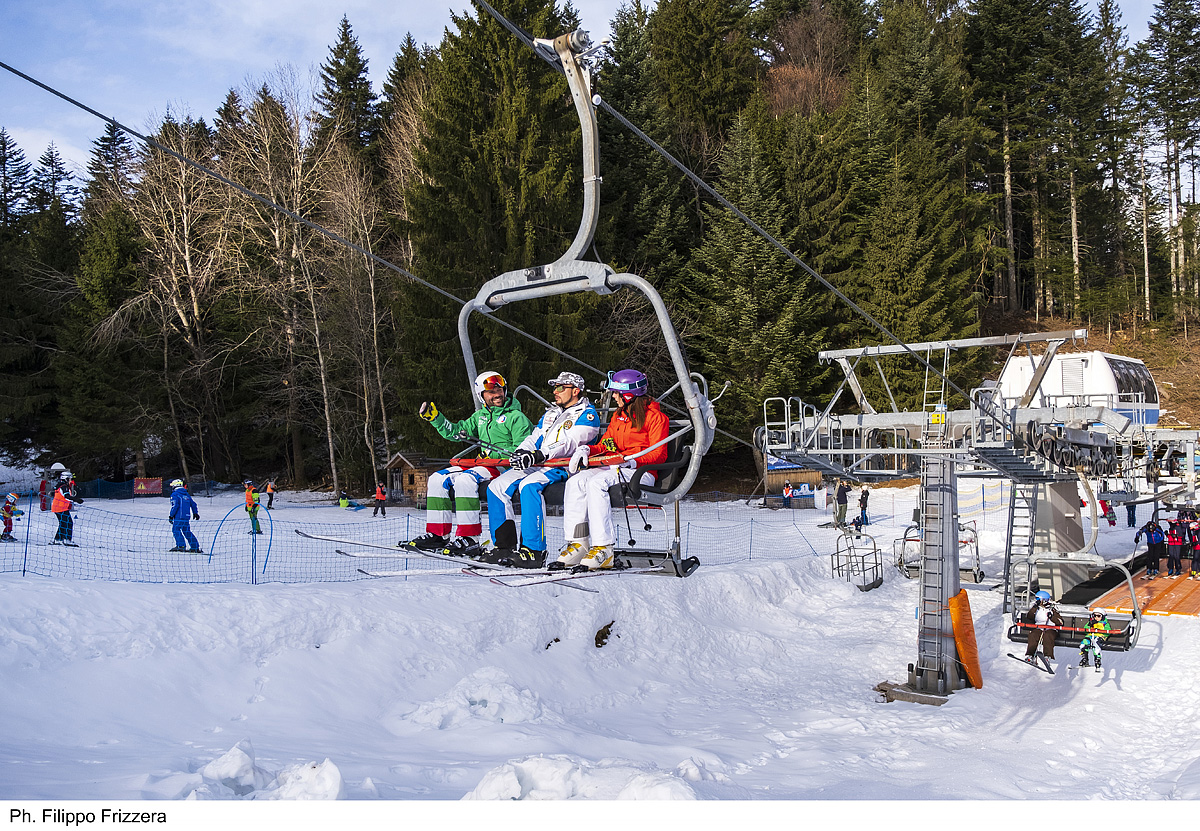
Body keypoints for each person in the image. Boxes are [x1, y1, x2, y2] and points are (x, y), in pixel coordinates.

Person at [405, 371, 534, 556]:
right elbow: (457, 432)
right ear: (481, 395)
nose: (497, 395)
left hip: (503, 468)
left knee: (465, 479)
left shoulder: (516, 417)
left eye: (500, 390)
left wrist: (492, 454)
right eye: (491, 392)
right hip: (482, 464)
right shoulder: (480, 417)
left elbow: (522, 449)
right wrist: (436, 418)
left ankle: (470, 538)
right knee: (437, 479)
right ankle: (438, 535)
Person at [553, 369, 669, 571]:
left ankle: (603, 548)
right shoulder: (619, 416)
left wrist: (631, 461)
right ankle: (578, 543)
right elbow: (607, 444)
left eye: (616, 392)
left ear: (629, 394)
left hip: (642, 472)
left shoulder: (656, 418)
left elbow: (659, 454)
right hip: (616, 467)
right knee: (576, 481)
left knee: (597, 483)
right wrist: (587, 450)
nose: (614, 396)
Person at [483, 371, 600, 568]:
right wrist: (522, 452)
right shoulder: (552, 413)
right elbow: (535, 437)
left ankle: (534, 550)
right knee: (496, 486)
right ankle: (504, 546)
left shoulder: (587, 415)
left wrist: (540, 454)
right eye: (554, 387)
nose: (555, 391)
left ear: (575, 391)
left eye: (560, 387)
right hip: (541, 462)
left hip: (564, 465)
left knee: (529, 485)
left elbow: (569, 443)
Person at [1023, 590, 1064, 664]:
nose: (1036, 601)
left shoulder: (1052, 609)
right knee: (1033, 635)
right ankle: (1030, 655)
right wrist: (1034, 608)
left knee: (1048, 635)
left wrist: (1052, 617)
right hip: (1039, 627)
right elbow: (1029, 616)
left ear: (1044, 600)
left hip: (1051, 628)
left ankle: (1047, 656)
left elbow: (1060, 622)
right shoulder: (1036, 608)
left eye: (1038, 599)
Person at [167, 478, 202, 553]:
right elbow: (193, 504)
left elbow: (175, 505)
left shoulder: (175, 494)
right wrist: (195, 513)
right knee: (186, 531)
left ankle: (181, 546)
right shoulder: (186, 494)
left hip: (179, 516)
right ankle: (195, 547)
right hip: (186, 516)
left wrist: (171, 515)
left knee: (176, 530)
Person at [50, 472, 82, 546]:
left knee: (63, 523)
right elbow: (66, 496)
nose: (71, 481)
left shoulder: (59, 485)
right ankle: (67, 539)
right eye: (70, 479)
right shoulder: (64, 487)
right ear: (66, 479)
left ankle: (58, 539)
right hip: (61, 508)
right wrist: (76, 499)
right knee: (68, 523)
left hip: (58, 507)